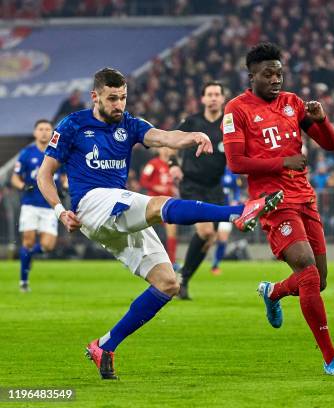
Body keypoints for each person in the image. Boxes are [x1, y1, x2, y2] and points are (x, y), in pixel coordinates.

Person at [37, 67, 283, 380]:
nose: (119, 105)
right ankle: (237, 212)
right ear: (95, 96)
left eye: (123, 98)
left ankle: (105, 345)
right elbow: (44, 175)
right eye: (112, 98)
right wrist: (60, 210)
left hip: (117, 210)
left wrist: (192, 136)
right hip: (91, 204)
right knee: (155, 205)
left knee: (168, 283)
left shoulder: (129, 124)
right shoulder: (73, 124)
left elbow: (163, 136)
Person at [223, 42, 334, 375]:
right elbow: (236, 162)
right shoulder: (236, 109)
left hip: (305, 199)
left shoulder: (293, 104)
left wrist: (322, 121)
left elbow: (330, 144)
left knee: (318, 281)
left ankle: (274, 292)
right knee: (309, 273)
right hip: (274, 202)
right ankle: (331, 359)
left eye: (279, 72)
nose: (276, 79)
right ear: (251, 75)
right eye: (268, 73)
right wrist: (283, 161)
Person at [170, 82, 228, 299]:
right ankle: (182, 279)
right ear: (202, 99)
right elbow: (170, 144)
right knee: (205, 232)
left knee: (209, 238)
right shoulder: (192, 122)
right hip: (192, 185)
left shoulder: (228, 124)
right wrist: (172, 165)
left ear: (223, 99)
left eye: (217, 94)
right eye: (209, 94)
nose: (213, 98)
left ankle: (183, 279)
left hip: (215, 187)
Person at [11, 119, 67, 292]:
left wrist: (65, 186)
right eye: (40, 129)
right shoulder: (26, 153)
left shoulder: (59, 153)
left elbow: (65, 175)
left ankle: (27, 256)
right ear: (35, 132)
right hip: (30, 204)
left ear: (52, 133)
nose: (44, 132)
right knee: (27, 240)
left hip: (51, 205)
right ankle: (23, 281)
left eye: (47, 129)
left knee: (48, 246)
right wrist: (23, 186)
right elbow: (15, 177)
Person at [139, 146, 180, 268]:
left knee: (172, 232)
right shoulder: (153, 164)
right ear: (158, 150)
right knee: (143, 232)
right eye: (163, 148)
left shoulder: (173, 165)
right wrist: (155, 187)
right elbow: (143, 180)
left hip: (168, 202)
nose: (166, 150)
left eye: (168, 148)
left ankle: (172, 262)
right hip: (153, 203)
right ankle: (138, 258)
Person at [210, 167, 242, 275]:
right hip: (212, 208)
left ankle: (215, 265)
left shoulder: (233, 172)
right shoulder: (215, 169)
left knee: (223, 239)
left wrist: (235, 200)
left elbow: (237, 189)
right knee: (210, 238)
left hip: (226, 210)